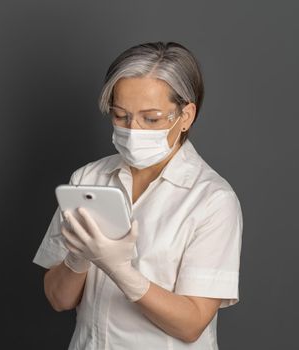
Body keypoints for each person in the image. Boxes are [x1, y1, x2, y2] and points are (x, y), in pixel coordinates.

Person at [33, 41, 243, 349]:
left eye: (152, 118)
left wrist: (121, 272)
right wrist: (78, 258)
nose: (133, 130)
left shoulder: (212, 200)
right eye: (120, 116)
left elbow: (192, 324)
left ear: (185, 116)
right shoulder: (87, 179)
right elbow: (58, 299)